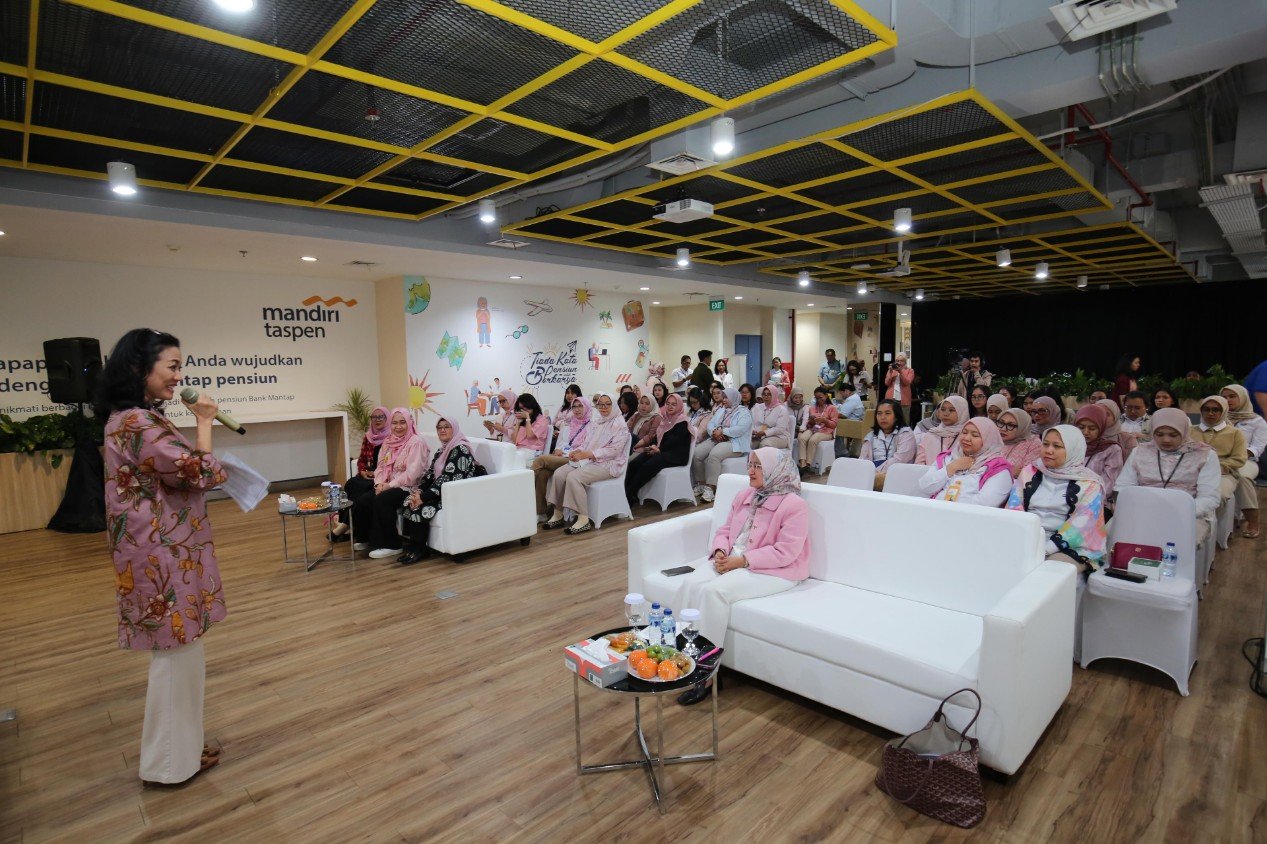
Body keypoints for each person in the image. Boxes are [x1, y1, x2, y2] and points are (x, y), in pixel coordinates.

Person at [98, 328, 228, 784]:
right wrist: (205, 422)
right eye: (172, 366)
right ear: (139, 368)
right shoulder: (136, 422)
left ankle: (181, 751)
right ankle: (169, 765)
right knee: (176, 655)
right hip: (161, 553)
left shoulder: (133, 418)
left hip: (162, 547)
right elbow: (198, 473)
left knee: (182, 653)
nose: (179, 376)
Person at [668, 448, 809, 706]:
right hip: (733, 560)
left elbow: (786, 552)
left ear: (775, 470)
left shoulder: (794, 505)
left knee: (714, 592)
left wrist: (742, 560)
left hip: (775, 570)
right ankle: (679, 657)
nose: (751, 471)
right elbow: (725, 529)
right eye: (750, 464)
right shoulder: (745, 495)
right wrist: (720, 551)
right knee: (690, 583)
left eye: (758, 466)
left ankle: (706, 674)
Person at [1006, 425, 1107, 572]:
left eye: (1057, 446)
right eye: (1045, 444)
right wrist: (1025, 542)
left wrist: (1044, 549)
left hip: (1071, 546)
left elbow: (1081, 525)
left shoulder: (1090, 483)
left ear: (1073, 449)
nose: (1049, 450)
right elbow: (1014, 508)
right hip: (1028, 537)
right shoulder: (1030, 471)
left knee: (1049, 572)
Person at [1115, 408, 1220, 543]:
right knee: (1114, 535)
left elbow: (1209, 497)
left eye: (1173, 435)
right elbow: (1123, 486)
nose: (1166, 440)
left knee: (1177, 542)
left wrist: (1177, 512)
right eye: (1159, 434)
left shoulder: (1204, 455)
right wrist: (1139, 508)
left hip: (1189, 514)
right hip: (1143, 510)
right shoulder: (1140, 451)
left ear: (1184, 431)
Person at [398, 416, 485, 564]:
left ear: (454, 429)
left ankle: (420, 550)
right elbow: (430, 475)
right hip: (442, 492)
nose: (442, 430)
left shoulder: (460, 449)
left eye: (446, 427)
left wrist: (423, 498)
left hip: (456, 495)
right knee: (408, 501)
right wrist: (419, 492)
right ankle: (415, 546)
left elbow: (448, 478)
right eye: (439, 428)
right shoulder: (442, 450)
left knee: (420, 507)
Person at [543, 392, 631, 534]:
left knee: (574, 477)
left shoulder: (620, 425)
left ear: (614, 405)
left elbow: (613, 451)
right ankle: (558, 514)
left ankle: (583, 519)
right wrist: (577, 451)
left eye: (607, 404)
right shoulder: (598, 421)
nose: (603, 407)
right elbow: (587, 442)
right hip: (589, 460)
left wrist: (588, 454)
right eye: (600, 404)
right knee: (559, 473)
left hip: (608, 465)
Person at [351, 409, 431, 559]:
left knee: (382, 500)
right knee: (363, 500)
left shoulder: (416, 442)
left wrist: (389, 485)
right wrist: (379, 484)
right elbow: (380, 467)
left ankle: (392, 545)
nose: (398, 427)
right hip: (388, 484)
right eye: (394, 423)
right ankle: (366, 538)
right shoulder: (388, 441)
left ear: (409, 423)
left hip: (410, 487)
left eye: (402, 422)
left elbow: (412, 474)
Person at [918, 419, 1013, 506]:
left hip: (969, 518)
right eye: (964, 432)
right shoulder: (948, 457)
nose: (966, 438)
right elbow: (925, 487)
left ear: (988, 439)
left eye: (975, 435)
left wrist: (945, 504)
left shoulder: (998, 468)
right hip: (935, 512)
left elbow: (985, 504)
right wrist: (951, 468)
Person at [531, 395, 592, 519]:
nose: (577, 409)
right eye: (574, 406)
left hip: (576, 459)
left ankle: (523, 489)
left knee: (541, 460)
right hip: (563, 456)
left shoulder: (592, 426)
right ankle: (541, 512)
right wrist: (558, 449)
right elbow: (563, 442)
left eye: (580, 406)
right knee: (542, 473)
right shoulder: (570, 425)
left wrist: (570, 452)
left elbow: (588, 447)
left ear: (587, 407)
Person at [333, 405, 389, 540]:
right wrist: (363, 471)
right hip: (368, 474)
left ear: (387, 418)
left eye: (381, 417)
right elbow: (362, 460)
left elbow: (388, 465)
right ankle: (347, 524)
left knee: (363, 488)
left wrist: (376, 474)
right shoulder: (368, 437)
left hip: (381, 476)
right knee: (351, 483)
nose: (377, 420)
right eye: (374, 417)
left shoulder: (392, 438)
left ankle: (346, 526)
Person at [625, 393, 692, 504]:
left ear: (679, 406)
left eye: (674, 404)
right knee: (635, 463)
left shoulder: (682, 421)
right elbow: (658, 437)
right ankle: (625, 490)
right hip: (662, 451)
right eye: (668, 404)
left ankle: (631, 492)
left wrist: (659, 449)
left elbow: (675, 441)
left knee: (648, 465)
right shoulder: (666, 419)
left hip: (676, 455)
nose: (670, 406)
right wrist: (654, 446)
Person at [692, 387, 753, 502]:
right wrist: (714, 432)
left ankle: (711, 488)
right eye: (723, 397)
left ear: (734, 398)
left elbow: (740, 429)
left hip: (735, 442)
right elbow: (710, 424)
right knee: (696, 454)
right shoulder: (721, 410)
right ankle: (701, 483)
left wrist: (723, 431)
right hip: (717, 439)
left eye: (726, 397)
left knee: (714, 455)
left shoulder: (744, 412)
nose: (723, 400)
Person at [1222, 383, 1264, 538]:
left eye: (1232, 396)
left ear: (1243, 398)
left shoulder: (1257, 421)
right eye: (1224, 397)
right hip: (1219, 459)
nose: (1228, 400)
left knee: (1242, 477)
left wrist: (1235, 456)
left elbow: (1257, 448)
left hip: (1246, 461)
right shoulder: (1217, 418)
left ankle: (1252, 521)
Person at [1194, 395, 1248, 510]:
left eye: (1215, 410)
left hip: (1223, 473)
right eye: (1206, 409)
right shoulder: (1190, 430)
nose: (1210, 413)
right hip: (1192, 471)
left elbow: (1239, 458)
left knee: (1218, 496)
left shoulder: (1235, 433)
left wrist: (1217, 467)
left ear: (1224, 411)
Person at [860, 399, 915, 490]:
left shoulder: (906, 434)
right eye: (879, 413)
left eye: (887, 413)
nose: (883, 417)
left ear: (897, 416)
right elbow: (862, 460)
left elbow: (900, 460)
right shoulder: (871, 436)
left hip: (897, 476)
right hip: (872, 476)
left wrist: (874, 474)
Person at [1074, 403, 1124, 499]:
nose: (1086, 432)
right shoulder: (1069, 446)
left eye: (1092, 428)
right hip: (1065, 497)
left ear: (1101, 427)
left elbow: (1109, 484)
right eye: (1081, 427)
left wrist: (1083, 498)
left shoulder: (1111, 449)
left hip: (1095, 500)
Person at [915, 395, 968, 466]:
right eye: (943, 409)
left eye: (951, 410)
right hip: (929, 472)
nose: (946, 414)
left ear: (962, 412)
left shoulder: (967, 437)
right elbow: (919, 462)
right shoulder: (931, 435)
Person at [796, 387, 839, 471]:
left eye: (820, 397)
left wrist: (824, 420)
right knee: (802, 438)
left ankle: (808, 463)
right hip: (814, 429)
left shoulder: (832, 408)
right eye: (816, 398)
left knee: (813, 440)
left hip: (826, 432)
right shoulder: (813, 408)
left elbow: (834, 425)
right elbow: (809, 424)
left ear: (826, 396)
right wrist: (811, 421)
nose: (818, 400)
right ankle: (803, 463)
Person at [504, 393, 549, 462]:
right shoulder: (522, 420)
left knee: (512, 459)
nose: (523, 411)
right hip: (519, 449)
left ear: (532, 405)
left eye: (525, 407)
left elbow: (530, 435)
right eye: (521, 408)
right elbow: (514, 440)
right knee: (503, 456)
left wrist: (527, 418)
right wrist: (518, 422)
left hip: (533, 450)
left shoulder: (542, 420)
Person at [998, 407, 1041, 478]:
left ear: (1022, 426)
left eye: (1010, 425)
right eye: (1001, 423)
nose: (1003, 429)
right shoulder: (994, 440)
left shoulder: (1033, 444)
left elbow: (1029, 474)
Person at [751, 385, 794, 450]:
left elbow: (780, 429)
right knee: (748, 444)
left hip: (779, 437)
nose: (766, 397)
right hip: (759, 435)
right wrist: (753, 430)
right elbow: (751, 422)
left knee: (765, 444)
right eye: (764, 394)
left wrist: (765, 432)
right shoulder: (757, 407)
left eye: (769, 394)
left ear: (774, 395)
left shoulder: (782, 410)